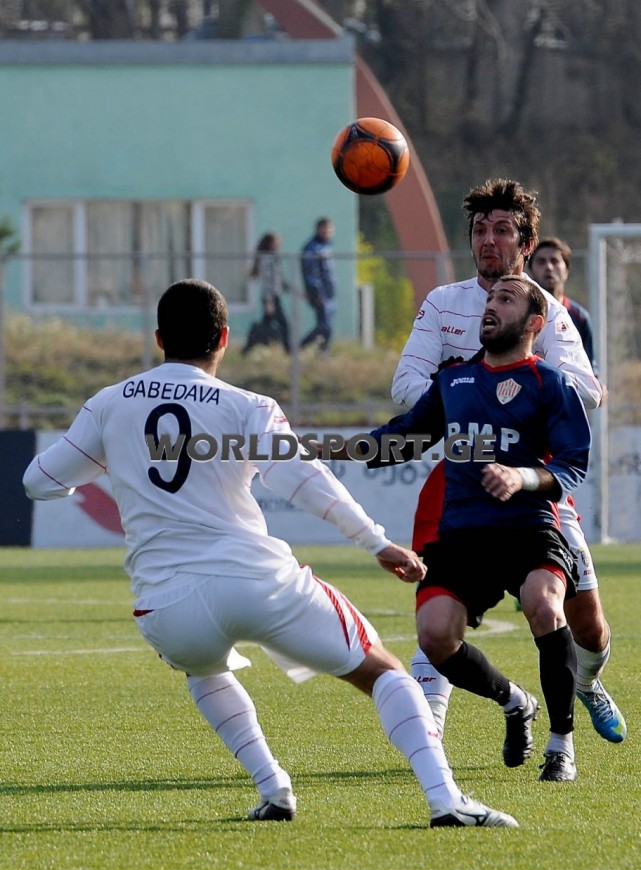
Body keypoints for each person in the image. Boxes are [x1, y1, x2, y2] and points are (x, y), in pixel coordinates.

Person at [22, 277, 517, 829]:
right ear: (224, 338)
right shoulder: (249, 406)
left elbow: (38, 482)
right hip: (257, 582)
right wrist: (375, 541)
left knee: (202, 669)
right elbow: (306, 480)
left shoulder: (110, 403)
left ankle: (273, 786)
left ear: (158, 338)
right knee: (381, 668)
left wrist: (104, 462)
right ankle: (445, 799)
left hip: (167, 607)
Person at [391, 178, 626, 745]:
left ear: (526, 245)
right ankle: (431, 729)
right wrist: (466, 395)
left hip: (532, 487)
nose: (488, 240)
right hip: (463, 480)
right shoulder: (444, 303)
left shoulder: (543, 310)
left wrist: (517, 381)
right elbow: (405, 385)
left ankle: (586, 682)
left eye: (502, 230)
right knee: (438, 607)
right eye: (480, 230)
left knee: (590, 628)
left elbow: (589, 391)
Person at [333, 275, 590, 780]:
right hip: (463, 534)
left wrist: (522, 477)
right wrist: (334, 449)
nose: (490, 305)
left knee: (544, 604)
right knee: (434, 637)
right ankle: (515, 701)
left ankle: (562, 743)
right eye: (490, 298)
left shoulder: (551, 384)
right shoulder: (453, 382)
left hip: (529, 526)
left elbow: (571, 465)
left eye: (506, 299)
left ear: (534, 324)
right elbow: (405, 437)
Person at [528, 236, 597, 373]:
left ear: (566, 270)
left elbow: (589, 368)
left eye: (554, 261)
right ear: (530, 271)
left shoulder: (580, 317)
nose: (548, 267)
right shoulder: (522, 313)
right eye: (541, 262)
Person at [242, 232, 291, 355]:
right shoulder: (266, 259)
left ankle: (250, 344)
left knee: (266, 325)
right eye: (276, 242)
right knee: (284, 324)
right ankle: (289, 350)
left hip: (275, 296)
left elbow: (278, 279)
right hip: (270, 297)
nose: (278, 245)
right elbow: (268, 282)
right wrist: (269, 301)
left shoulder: (274, 258)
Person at [300, 217, 337, 353]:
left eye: (330, 229)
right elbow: (310, 274)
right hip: (319, 294)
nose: (328, 232)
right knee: (324, 327)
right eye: (326, 228)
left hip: (329, 293)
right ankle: (298, 347)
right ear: (319, 229)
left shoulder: (326, 247)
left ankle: (323, 353)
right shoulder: (311, 248)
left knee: (327, 328)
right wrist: (316, 293)